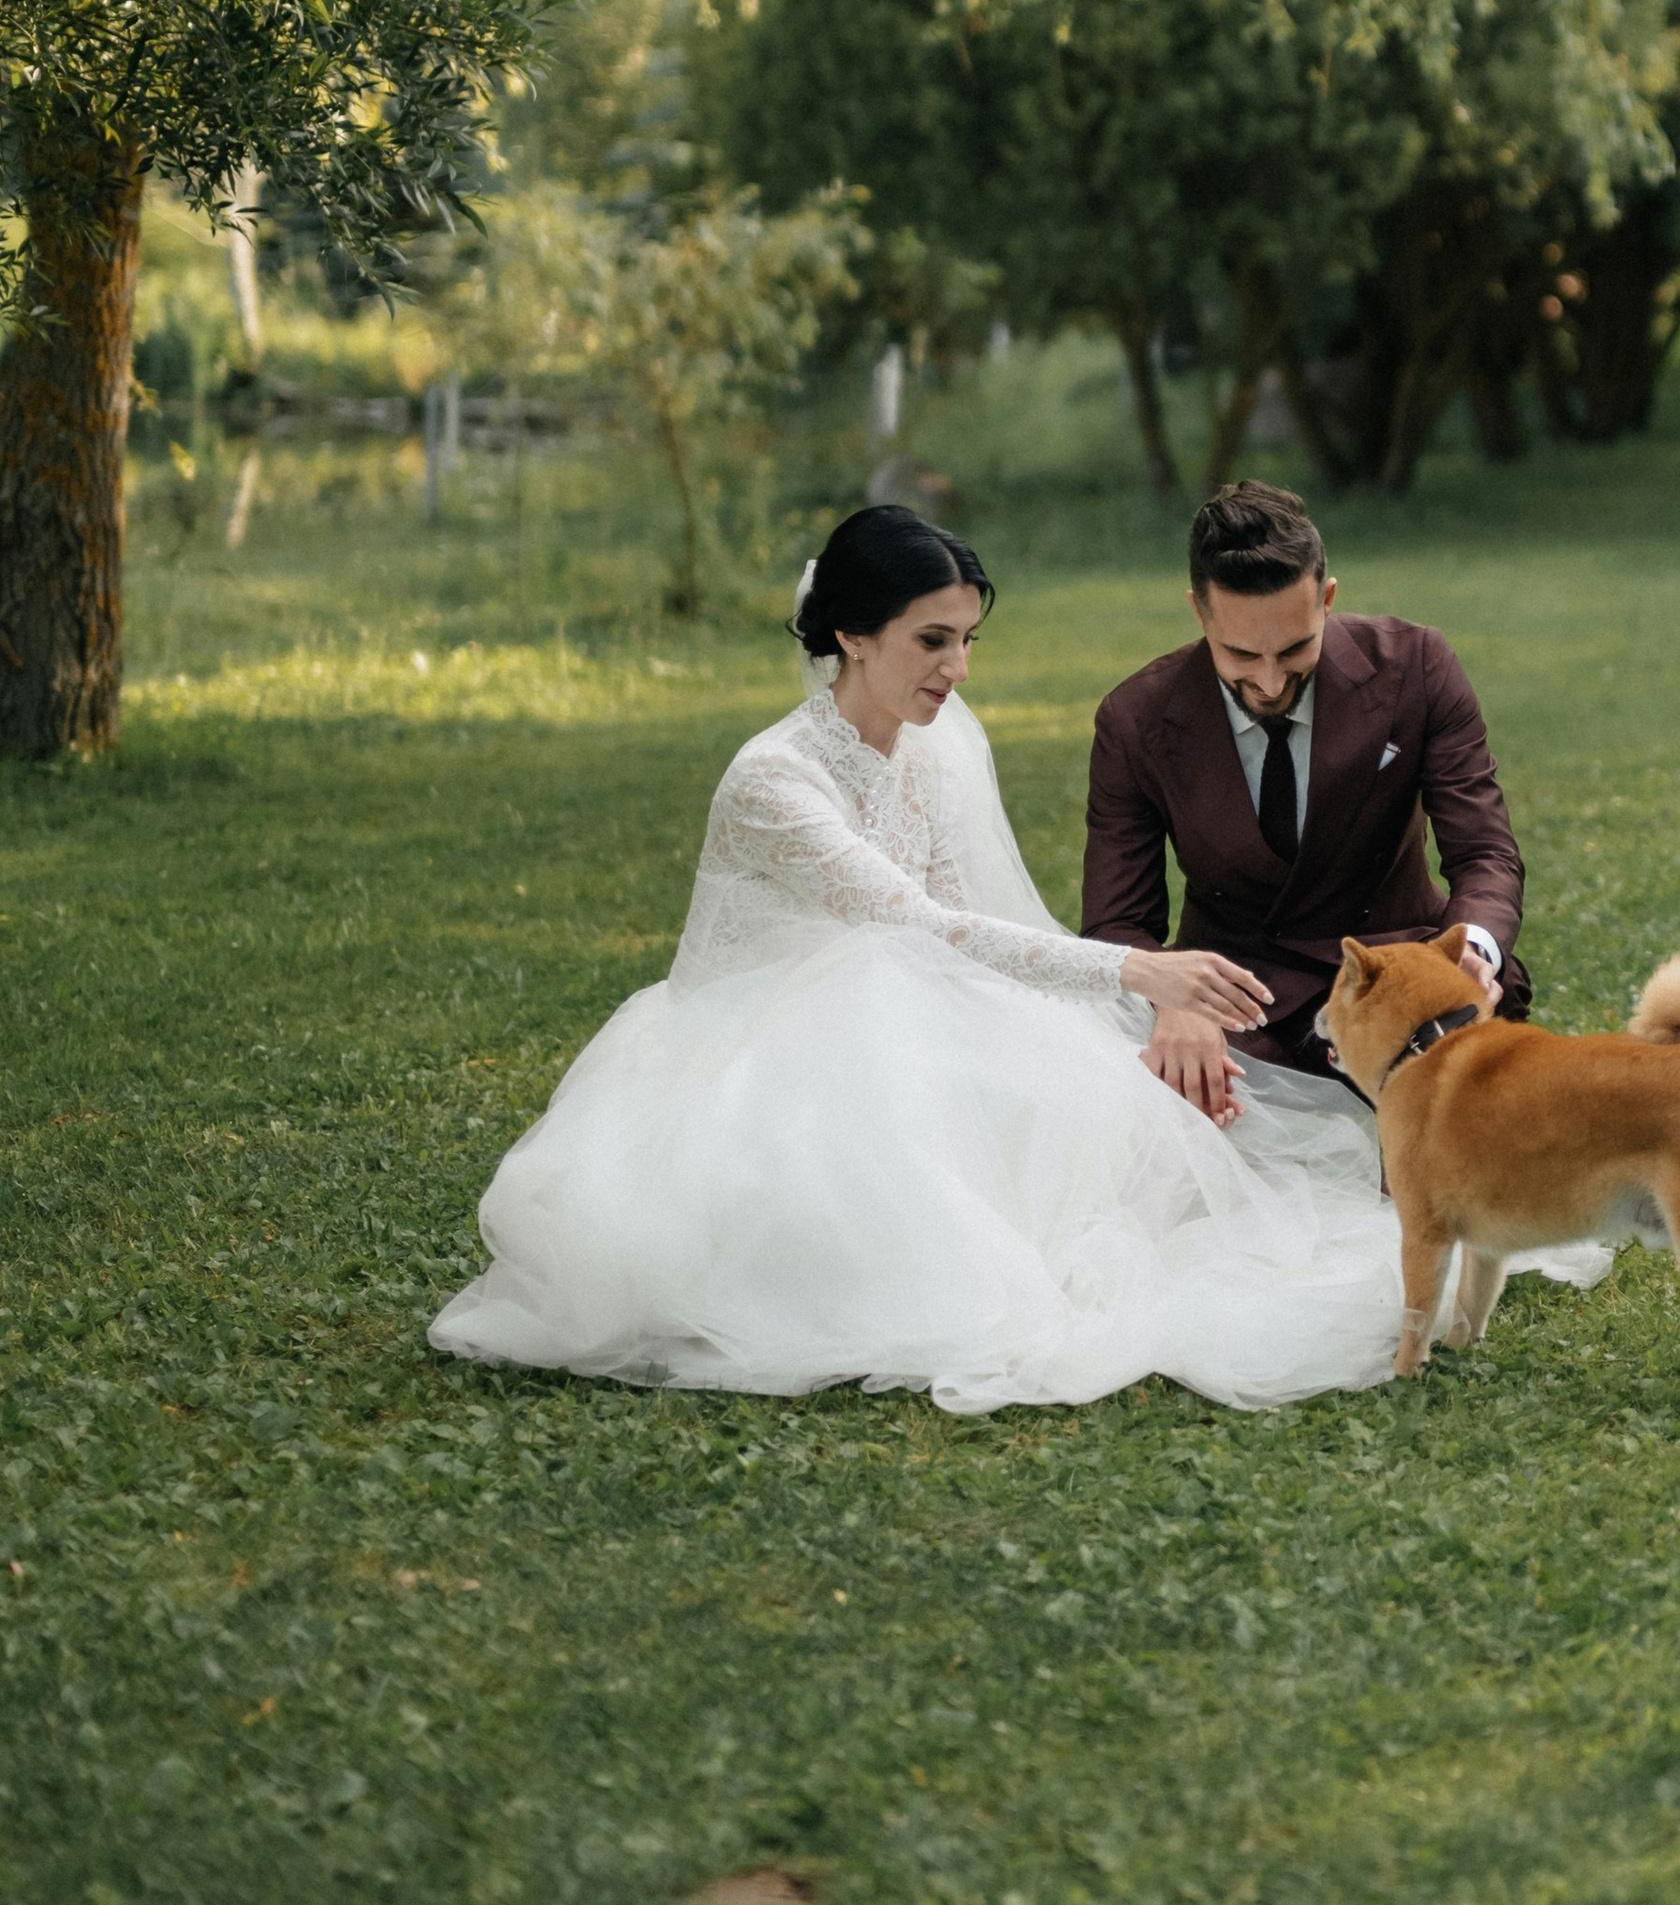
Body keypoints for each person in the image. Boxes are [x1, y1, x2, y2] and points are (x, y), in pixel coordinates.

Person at [428, 505, 1414, 1413]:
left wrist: (1114, 1034)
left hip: (901, 1005)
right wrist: (1135, 971)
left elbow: (966, 916)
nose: (959, 668)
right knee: (893, 1024)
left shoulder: (933, 743)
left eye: (968, 639)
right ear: (852, 634)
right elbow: (911, 921)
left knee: (1078, 1099)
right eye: (932, 641)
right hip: (765, 1054)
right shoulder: (773, 778)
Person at [1081, 481, 1535, 1125]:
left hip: (1397, 967)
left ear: (1327, 599)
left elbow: (1485, 852)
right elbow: (1115, 923)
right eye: (1240, 653)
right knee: (1195, 1099)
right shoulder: (1135, 721)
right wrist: (1173, 999)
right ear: (1199, 613)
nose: (1269, 682)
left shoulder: (1418, 666)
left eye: (1294, 649)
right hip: (1238, 999)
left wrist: (1472, 953)